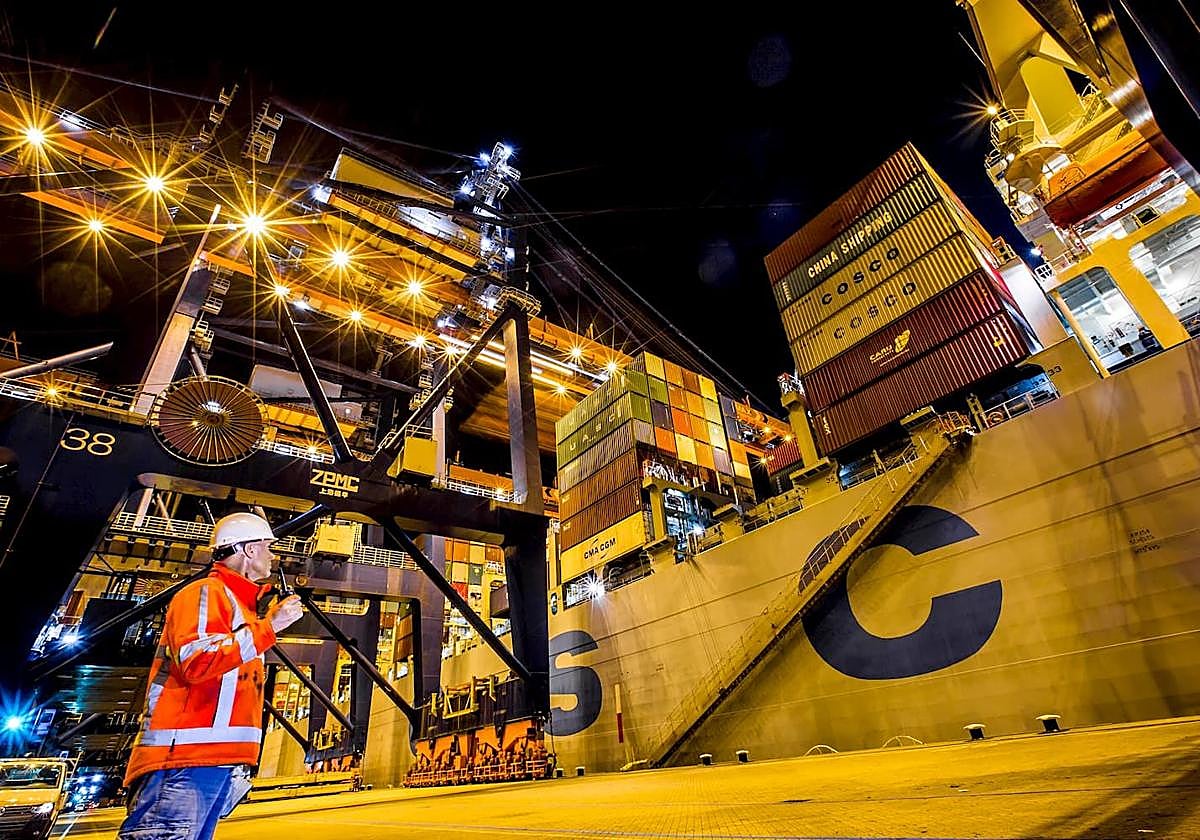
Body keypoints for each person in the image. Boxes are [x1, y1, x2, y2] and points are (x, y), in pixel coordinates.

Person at [118, 512, 304, 840]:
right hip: (184, 760)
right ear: (247, 550)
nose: (273, 555)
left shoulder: (242, 610)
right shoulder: (205, 593)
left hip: (214, 760)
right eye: (267, 546)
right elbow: (197, 661)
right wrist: (270, 626)